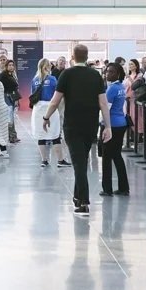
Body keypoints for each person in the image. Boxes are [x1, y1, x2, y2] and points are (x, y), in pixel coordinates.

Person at [42, 46, 105, 216]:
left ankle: (83, 202)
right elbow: (103, 103)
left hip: (72, 125)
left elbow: (55, 101)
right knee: (81, 161)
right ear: (87, 56)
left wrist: (46, 117)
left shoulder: (67, 74)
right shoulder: (95, 75)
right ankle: (77, 197)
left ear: (72, 57)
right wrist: (108, 126)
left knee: (79, 164)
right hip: (90, 125)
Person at [97, 62, 129, 196]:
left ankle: (107, 189)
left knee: (106, 158)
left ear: (118, 74)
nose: (107, 74)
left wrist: (103, 125)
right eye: (107, 71)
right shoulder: (121, 87)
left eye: (111, 72)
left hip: (111, 125)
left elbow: (106, 109)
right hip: (121, 124)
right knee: (117, 156)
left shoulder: (111, 89)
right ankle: (123, 187)